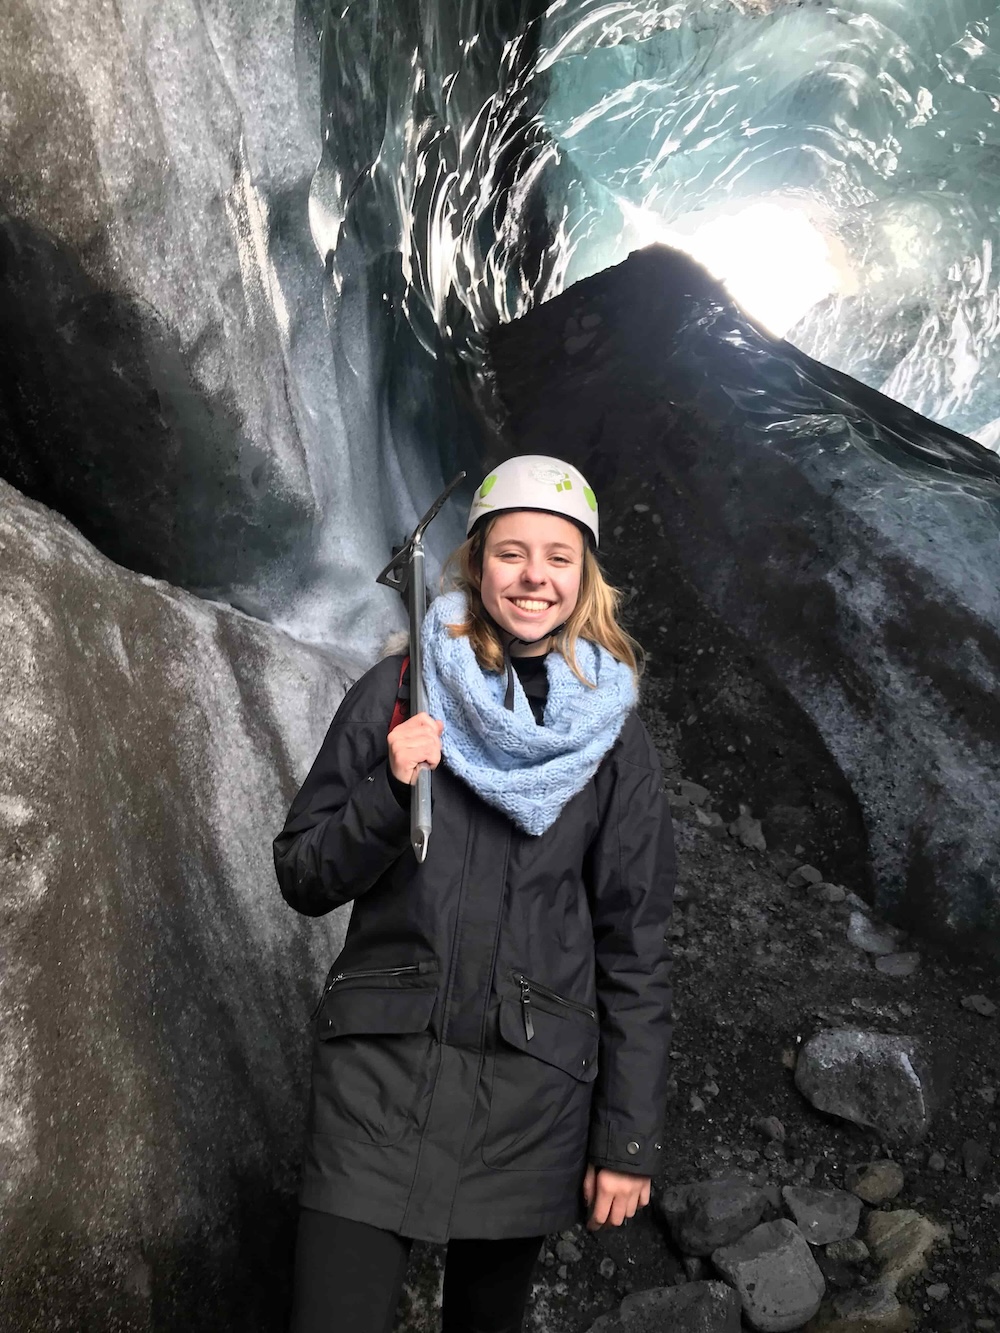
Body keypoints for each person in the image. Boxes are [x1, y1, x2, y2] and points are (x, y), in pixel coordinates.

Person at [273, 455, 676, 1333]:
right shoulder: (397, 691)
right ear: (476, 561)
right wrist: (387, 784)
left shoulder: (615, 744)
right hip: (377, 1082)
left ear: (585, 575)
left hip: (527, 1101)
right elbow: (302, 873)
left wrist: (627, 1138)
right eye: (513, 553)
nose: (535, 576)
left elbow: (635, 946)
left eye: (559, 557)